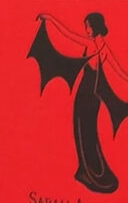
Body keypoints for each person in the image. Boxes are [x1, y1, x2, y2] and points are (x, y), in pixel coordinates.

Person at [38, 12, 128, 193]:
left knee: (83, 131)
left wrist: (50, 18)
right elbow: (119, 71)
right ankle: (92, 171)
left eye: (87, 26)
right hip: (93, 98)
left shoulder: (90, 44)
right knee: (89, 133)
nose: (86, 30)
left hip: (85, 96)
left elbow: (67, 34)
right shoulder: (104, 48)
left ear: (95, 26)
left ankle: (90, 173)